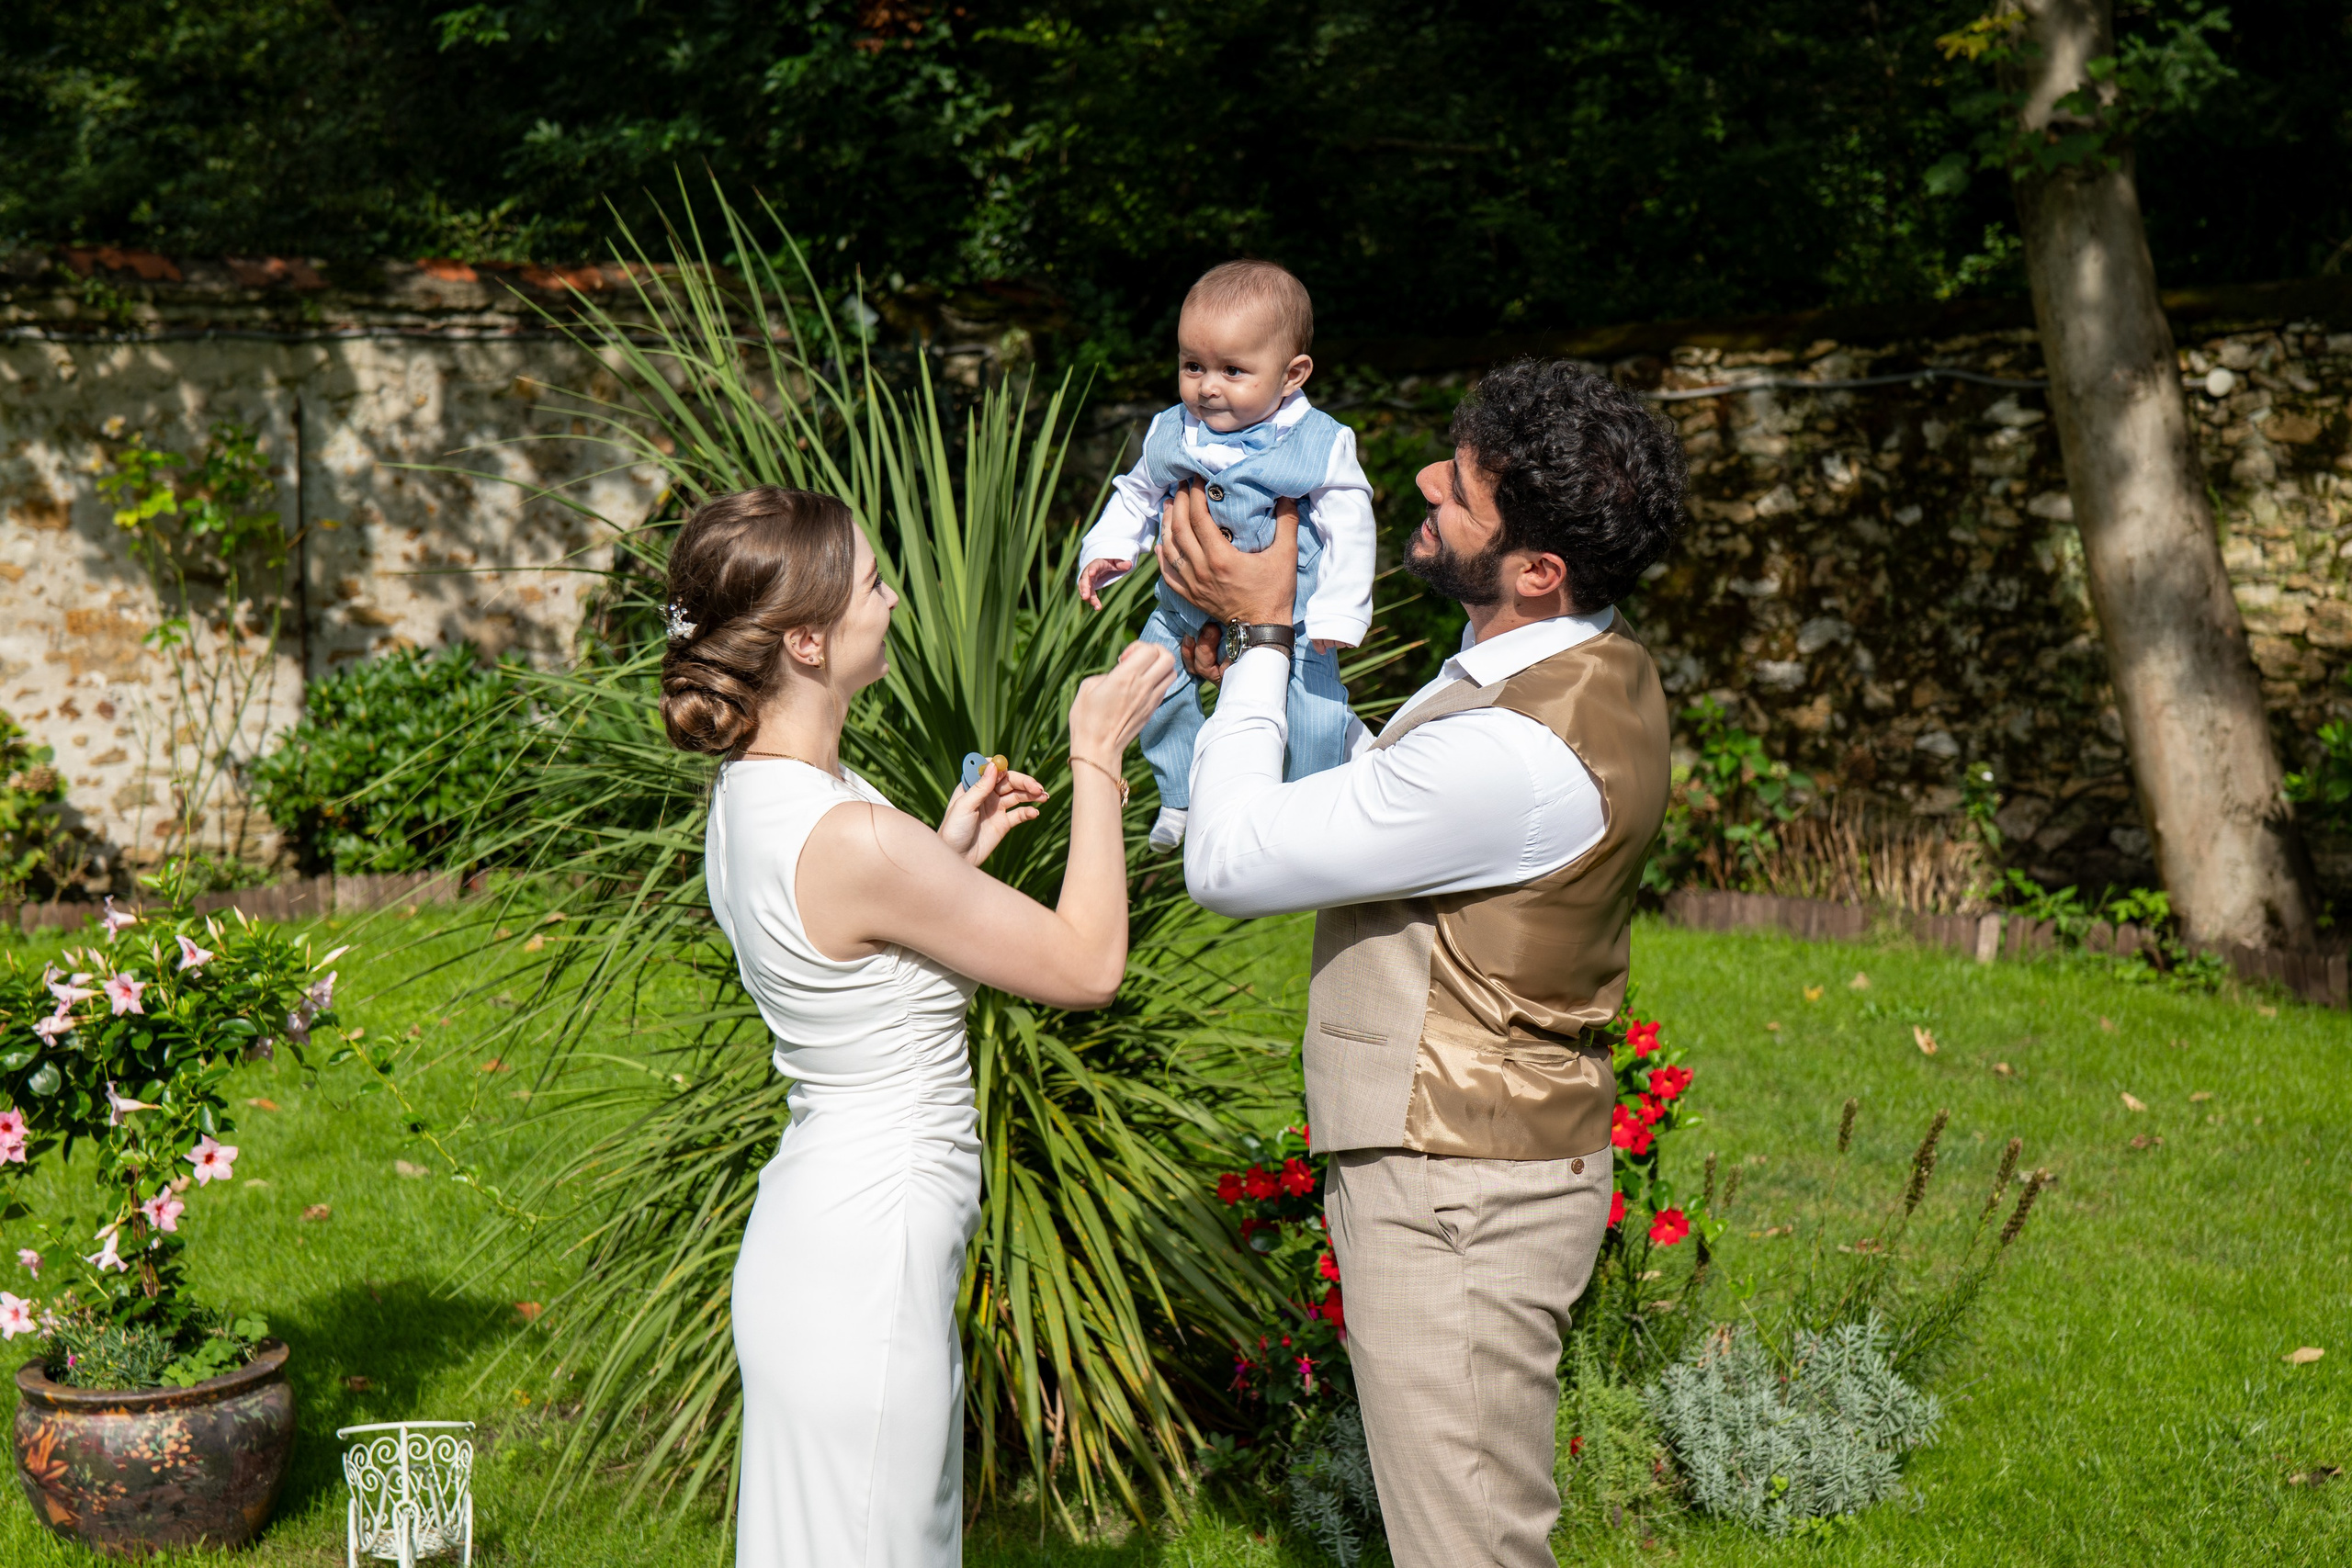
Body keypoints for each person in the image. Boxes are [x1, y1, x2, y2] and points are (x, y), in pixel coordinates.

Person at [1161, 361, 1687, 1568]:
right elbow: (1388, 790)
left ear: (1537, 571)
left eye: (1462, 485)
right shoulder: (1576, 672)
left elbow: (1229, 865)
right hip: (1474, 1164)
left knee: (1468, 1546)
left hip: (1456, 1188)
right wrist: (1260, 681)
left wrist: (1262, 636)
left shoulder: (1511, 750)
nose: (1425, 480)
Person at [657, 486, 1175, 1568]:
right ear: (806, 641)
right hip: (869, 1256)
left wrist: (943, 860)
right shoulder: (853, 834)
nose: (891, 600)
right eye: (872, 583)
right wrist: (1097, 758)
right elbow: (1088, 966)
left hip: (820, 1232)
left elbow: (850, 934)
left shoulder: (756, 795)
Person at [1074, 259, 1375, 852]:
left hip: (1293, 618)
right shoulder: (1172, 430)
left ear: (1292, 374)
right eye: (1193, 366)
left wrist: (1342, 607)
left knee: (1313, 713)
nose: (1207, 386)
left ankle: (1313, 807)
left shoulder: (1319, 440)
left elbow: (1350, 520)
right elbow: (1136, 493)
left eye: (1233, 370)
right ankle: (1181, 794)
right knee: (1149, 683)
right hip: (1181, 610)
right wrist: (1109, 548)